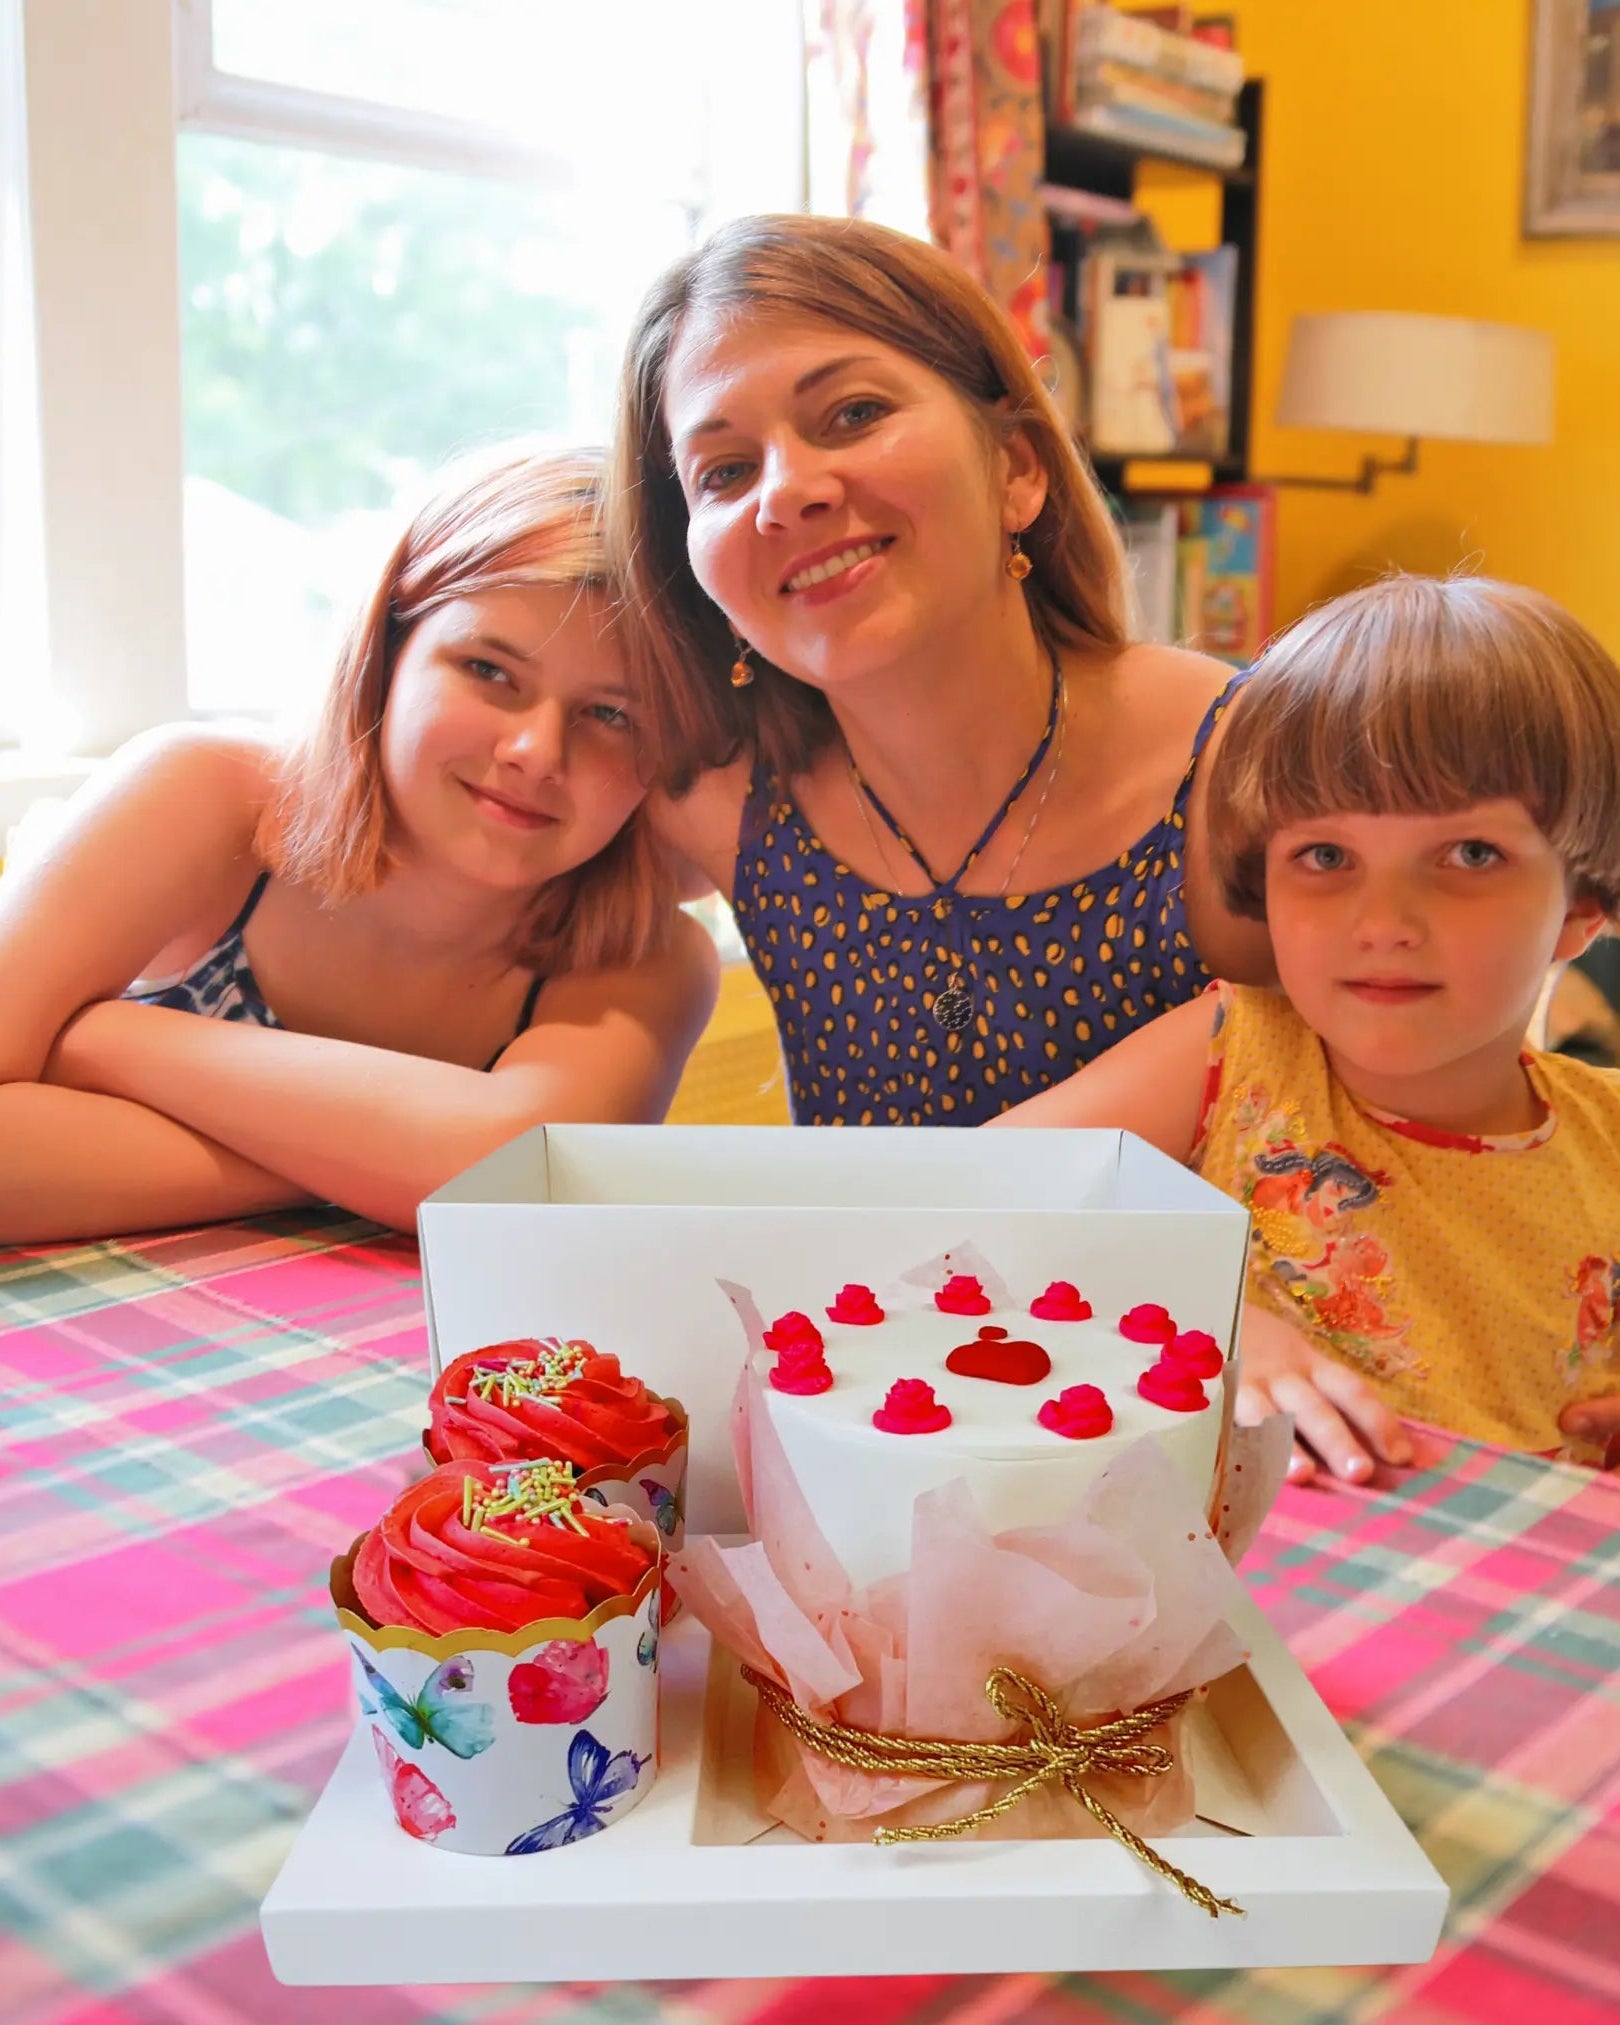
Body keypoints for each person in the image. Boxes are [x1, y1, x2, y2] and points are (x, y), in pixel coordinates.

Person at [608, 214, 1271, 1127]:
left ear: (1017, 470)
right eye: (722, 472)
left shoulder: (1247, 767)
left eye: (853, 414)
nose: (787, 491)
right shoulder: (717, 802)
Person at [0, 448, 718, 1244]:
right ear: (387, 649)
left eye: (613, 715)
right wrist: (389, 1165)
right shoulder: (207, 796)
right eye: (489, 669)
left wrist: (103, 1039)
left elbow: (524, 1191)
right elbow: (491, 1177)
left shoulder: (645, 955)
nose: (536, 752)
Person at [993, 575, 1620, 1480]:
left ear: (1583, 904)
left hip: (1527, 1599)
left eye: (1470, 854)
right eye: (1326, 856)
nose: (1384, 920)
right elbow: (963, 1200)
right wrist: (1208, 1322)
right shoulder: (1231, 1052)